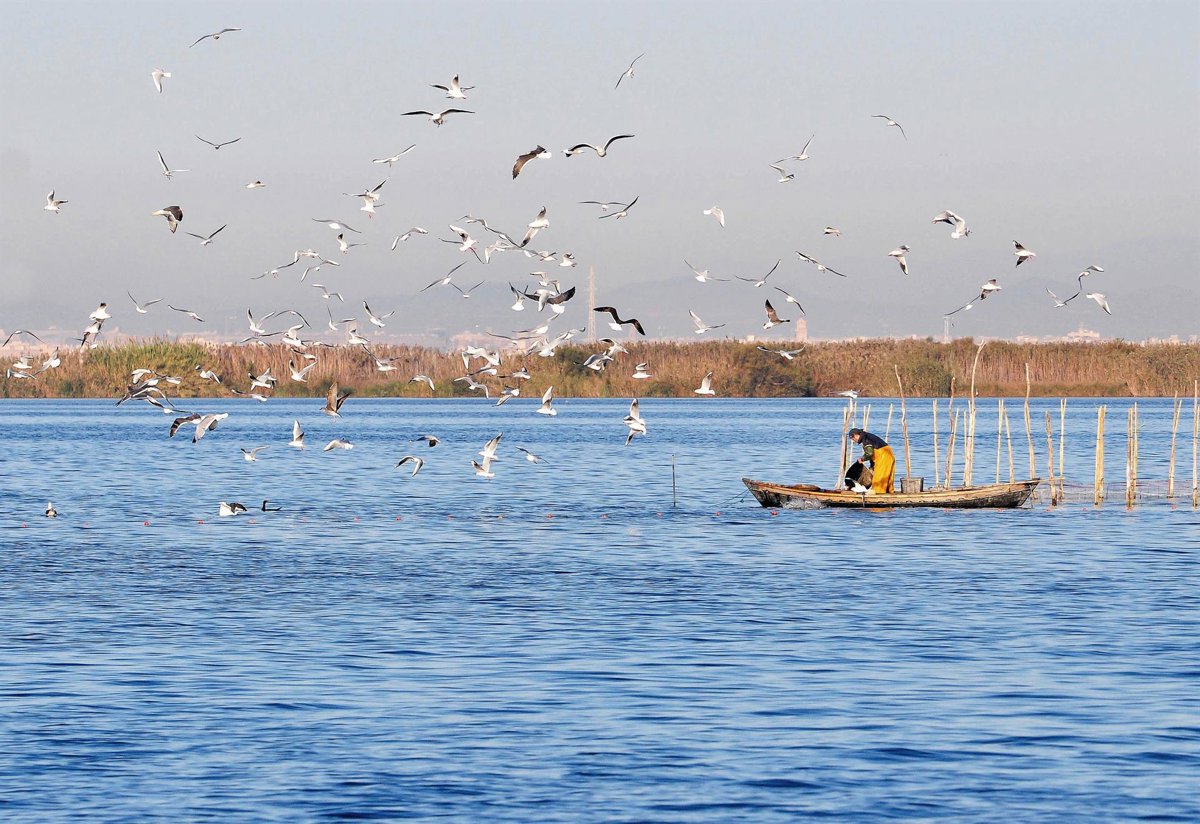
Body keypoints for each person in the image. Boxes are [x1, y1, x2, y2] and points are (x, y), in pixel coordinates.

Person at [848, 428, 895, 494]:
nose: (854, 441)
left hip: (883, 457)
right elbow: (873, 454)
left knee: (879, 477)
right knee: (887, 476)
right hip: (888, 455)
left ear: (856, 435)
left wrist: (862, 459)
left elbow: (870, 453)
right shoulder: (867, 436)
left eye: (853, 439)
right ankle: (889, 492)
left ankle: (878, 493)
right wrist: (872, 466)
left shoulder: (866, 440)